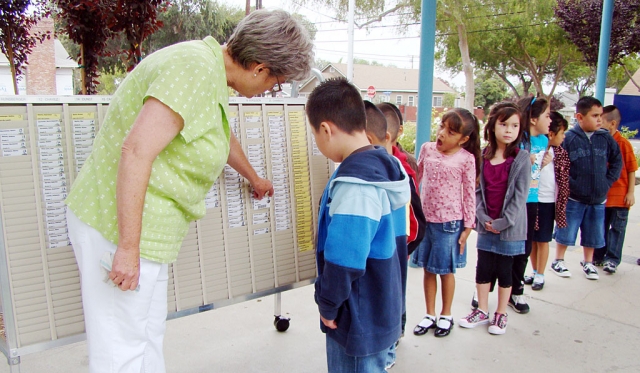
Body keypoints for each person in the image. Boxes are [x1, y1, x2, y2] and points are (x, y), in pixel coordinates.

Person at [65, 9, 313, 373]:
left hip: (150, 233)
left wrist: (253, 177)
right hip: (118, 228)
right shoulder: (193, 68)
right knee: (121, 349)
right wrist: (128, 247)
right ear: (259, 67)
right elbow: (136, 151)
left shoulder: (210, 70)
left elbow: (216, 130)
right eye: (276, 82)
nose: (270, 90)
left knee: (146, 336)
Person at [308, 78, 410, 372]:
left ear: (326, 129)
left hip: (356, 314)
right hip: (381, 304)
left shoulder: (355, 184)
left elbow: (344, 259)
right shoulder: (384, 168)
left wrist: (327, 304)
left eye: (315, 135)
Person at [459, 102, 530, 335]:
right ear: (492, 126)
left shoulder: (521, 159)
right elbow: (477, 190)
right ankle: (481, 310)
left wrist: (502, 222)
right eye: (503, 124)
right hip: (487, 225)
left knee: (505, 271)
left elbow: (520, 197)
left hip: (509, 228)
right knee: (483, 268)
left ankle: (501, 313)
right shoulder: (484, 156)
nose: (509, 130)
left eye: (515, 125)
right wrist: (482, 216)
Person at [411, 108, 480, 339]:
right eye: (442, 127)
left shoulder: (466, 159)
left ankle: (446, 314)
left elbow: (470, 194)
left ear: (464, 139)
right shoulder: (427, 149)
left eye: (450, 132)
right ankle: (429, 314)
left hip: (449, 224)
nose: (442, 134)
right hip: (425, 220)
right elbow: (416, 178)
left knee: (445, 271)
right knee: (428, 270)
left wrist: (468, 226)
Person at [551, 97, 622, 281]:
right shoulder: (570, 138)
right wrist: (571, 184)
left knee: (593, 232)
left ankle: (588, 262)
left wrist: (607, 182)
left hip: (598, 198)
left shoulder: (605, 138)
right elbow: (560, 165)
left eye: (601, 116)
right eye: (595, 115)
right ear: (580, 117)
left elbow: (617, 161)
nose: (599, 120)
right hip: (574, 198)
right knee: (566, 230)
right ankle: (558, 260)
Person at [509, 96, 550, 313]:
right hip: (514, 201)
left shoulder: (543, 141)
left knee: (524, 248)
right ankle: (486, 289)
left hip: (532, 200)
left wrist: (543, 164)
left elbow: (533, 175)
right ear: (533, 119)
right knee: (503, 248)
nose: (550, 120)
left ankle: (516, 291)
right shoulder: (518, 140)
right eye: (547, 115)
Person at [524, 111, 570, 290]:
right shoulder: (534, 148)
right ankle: (534, 271)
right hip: (532, 200)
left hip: (548, 202)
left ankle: (541, 274)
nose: (564, 137)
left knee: (543, 240)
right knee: (533, 240)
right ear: (551, 134)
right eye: (562, 133)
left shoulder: (560, 154)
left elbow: (564, 181)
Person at [593, 105, 638, 274]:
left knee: (617, 229)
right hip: (603, 196)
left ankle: (612, 259)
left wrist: (630, 192)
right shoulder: (598, 141)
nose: (598, 122)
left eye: (601, 120)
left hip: (620, 197)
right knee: (600, 227)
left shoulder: (623, 144)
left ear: (612, 124)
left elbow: (632, 168)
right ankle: (598, 256)